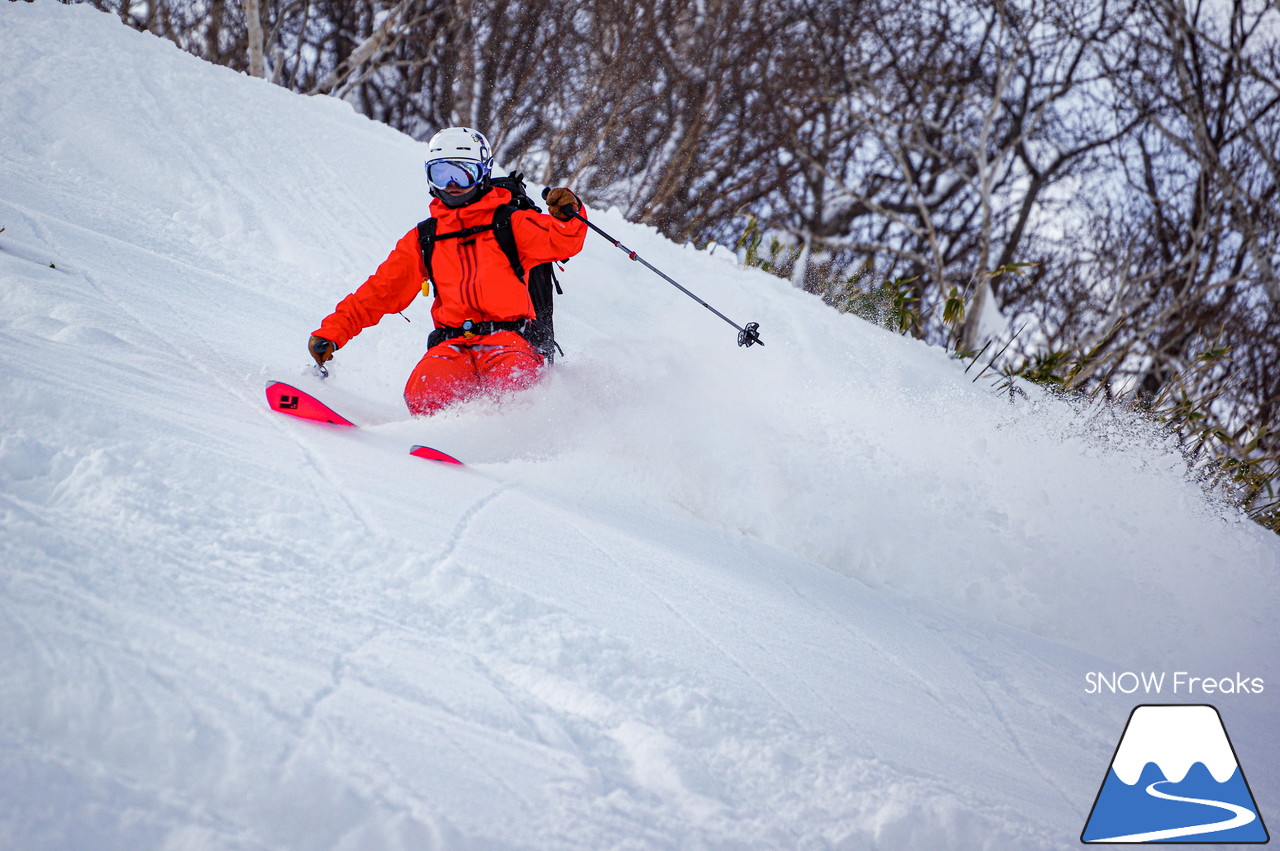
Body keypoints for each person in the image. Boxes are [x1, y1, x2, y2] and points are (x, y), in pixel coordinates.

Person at [308, 126, 587, 416]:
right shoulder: (426, 238)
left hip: (509, 341)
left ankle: (511, 445)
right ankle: (440, 443)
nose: (452, 184)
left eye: (463, 173)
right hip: (453, 343)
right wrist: (334, 331)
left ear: (483, 173)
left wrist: (571, 212)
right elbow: (380, 292)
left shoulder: (511, 224)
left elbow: (563, 240)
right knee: (426, 389)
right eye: (441, 174)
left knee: (513, 386)